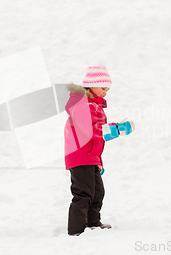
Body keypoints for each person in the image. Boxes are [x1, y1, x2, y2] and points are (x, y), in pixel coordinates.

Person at [64, 66, 134, 236]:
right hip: (80, 157)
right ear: (91, 86)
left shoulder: (94, 106)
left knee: (97, 192)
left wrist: (98, 162)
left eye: (107, 90)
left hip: (90, 158)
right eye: (103, 88)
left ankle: (92, 223)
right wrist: (117, 129)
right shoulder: (82, 105)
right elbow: (92, 131)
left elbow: (97, 139)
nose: (105, 93)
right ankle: (76, 230)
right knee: (83, 194)